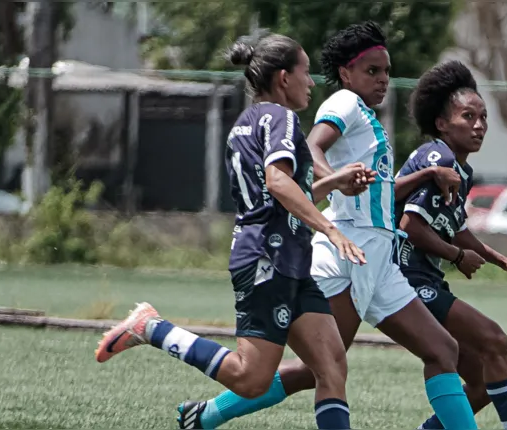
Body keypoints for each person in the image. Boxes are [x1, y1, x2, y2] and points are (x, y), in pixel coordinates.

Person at [177, 21, 478, 430]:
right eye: (372, 71)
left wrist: (426, 176)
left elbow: (378, 191)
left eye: (386, 71)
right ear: (346, 75)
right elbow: (314, 145)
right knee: (323, 369)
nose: (383, 79)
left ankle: (206, 416)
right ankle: (208, 415)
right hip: (349, 252)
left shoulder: (366, 117)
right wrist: (333, 181)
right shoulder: (344, 103)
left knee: (442, 350)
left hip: (379, 257)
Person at [95, 32, 374, 430]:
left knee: (331, 366)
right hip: (267, 258)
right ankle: (152, 329)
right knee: (250, 378)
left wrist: (334, 182)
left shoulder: (245, 123)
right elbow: (278, 184)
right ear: (283, 78)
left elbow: (275, 193)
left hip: (288, 258)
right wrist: (331, 229)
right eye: (306, 72)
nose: (311, 82)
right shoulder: (280, 117)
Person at [396, 60, 507, 430]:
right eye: (468, 116)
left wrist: (503, 261)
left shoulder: (459, 169)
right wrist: (456, 256)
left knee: (483, 381)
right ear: (441, 123)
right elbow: (411, 226)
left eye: (483, 117)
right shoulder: (441, 158)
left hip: (424, 280)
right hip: (406, 279)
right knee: (494, 339)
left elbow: (455, 228)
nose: (479, 125)